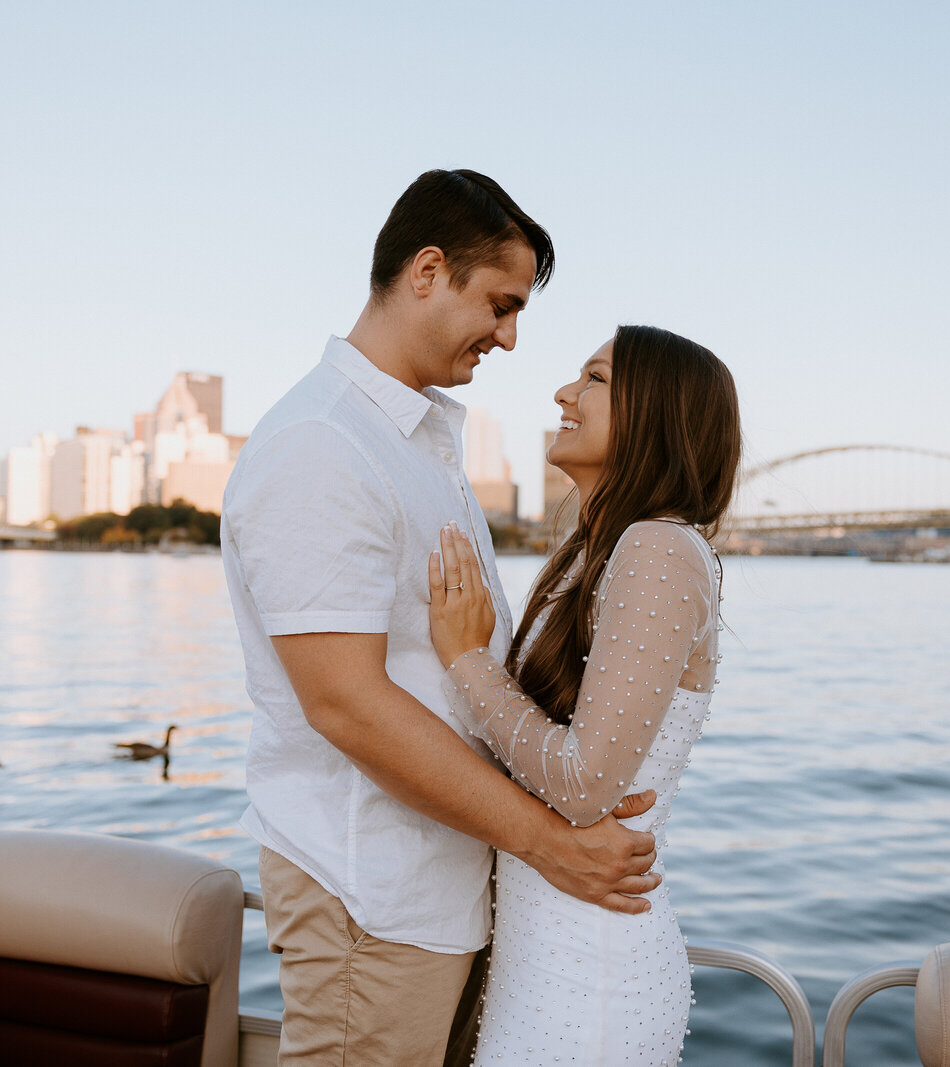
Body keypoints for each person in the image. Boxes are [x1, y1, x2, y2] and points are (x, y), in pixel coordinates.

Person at [221, 170, 663, 1067]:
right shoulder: (323, 445)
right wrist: (552, 845)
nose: (509, 336)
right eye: (500, 305)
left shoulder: (417, 443)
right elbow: (345, 702)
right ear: (427, 271)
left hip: (449, 890)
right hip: (372, 899)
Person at [427, 324, 742, 1066]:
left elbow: (582, 783)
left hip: (589, 978)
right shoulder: (595, 554)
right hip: (545, 956)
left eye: (595, 379)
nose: (566, 393)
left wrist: (468, 659)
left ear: (655, 412)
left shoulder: (659, 549)